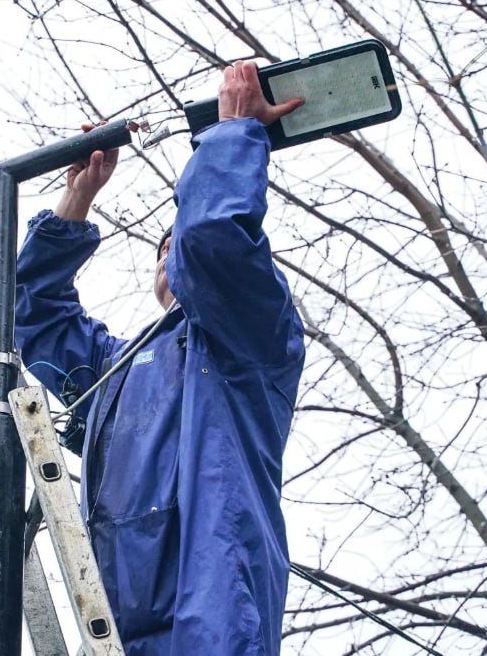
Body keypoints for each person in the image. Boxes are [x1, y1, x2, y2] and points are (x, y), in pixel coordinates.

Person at [15, 61, 306, 655]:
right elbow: (38, 319)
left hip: (215, 612)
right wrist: (76, 199)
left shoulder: (249, 338)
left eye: (180, 241)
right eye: (160, 250)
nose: (171, 252)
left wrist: (234, 132)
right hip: (119, 625)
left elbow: (216, 241)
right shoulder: (117, 372)